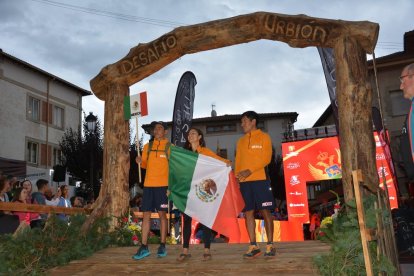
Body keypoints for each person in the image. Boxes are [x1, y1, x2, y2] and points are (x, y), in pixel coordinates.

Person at [177, 127, 231, 262]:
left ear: (200, 137)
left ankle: (206, 250)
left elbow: (218, 160)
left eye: (193, 133)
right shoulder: (184, 154)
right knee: (187, 221)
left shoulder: (206, 152)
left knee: (205, 221)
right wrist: (173, 187)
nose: (190, 135)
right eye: (189, 134)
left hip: (201, 191)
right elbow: (177, 172)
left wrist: (227, 162)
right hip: (187, 191)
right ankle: (185, 250)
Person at [235, 111, 276, 258]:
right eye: (241, 122)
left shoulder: (264, 137)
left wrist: (249, 171)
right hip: (245, 183)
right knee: (248, 213)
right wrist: (237, 178)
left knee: (265, 211)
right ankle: (253, 245)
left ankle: (270, 244)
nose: (242, 124)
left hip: (261, 179)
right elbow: (238, 161)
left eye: (244, 121)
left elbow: (267, 158)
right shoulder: (240, 141)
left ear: (253, 122)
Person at [132, 121, 171, 260]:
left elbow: (174, 167)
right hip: (148, 186)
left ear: (165, 131)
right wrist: (139, 161)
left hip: (162, 186)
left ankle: (162, 245)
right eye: (155, 128)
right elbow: (144, 165)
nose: (157, 130)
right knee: (146, 215)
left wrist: (170, 187)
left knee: (162, 216)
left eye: (160, 128)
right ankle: (144, 246)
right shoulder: (147, 146)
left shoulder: (169, 147)